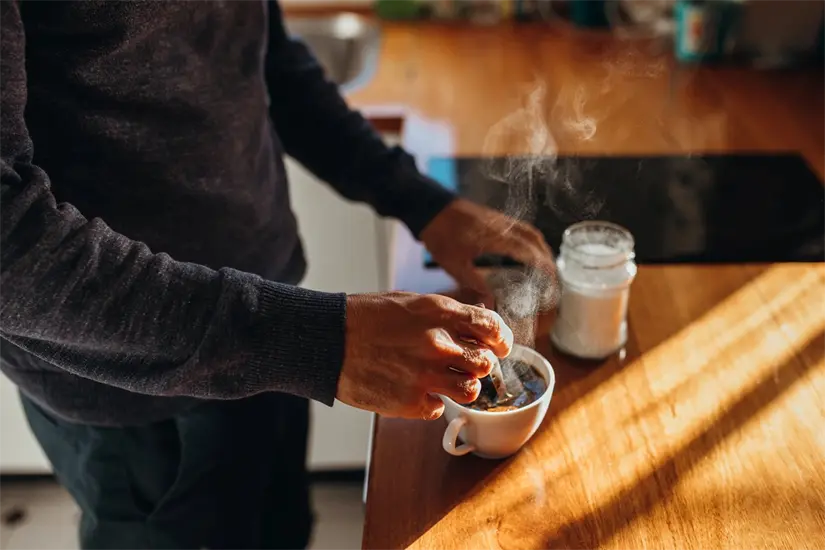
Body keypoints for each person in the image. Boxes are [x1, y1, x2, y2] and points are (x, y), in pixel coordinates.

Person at [0, 1, 555, 549]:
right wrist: (313, 340)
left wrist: (420, 203)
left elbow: (266, 59)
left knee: (279, 532)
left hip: (274, 320)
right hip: (132, 387)